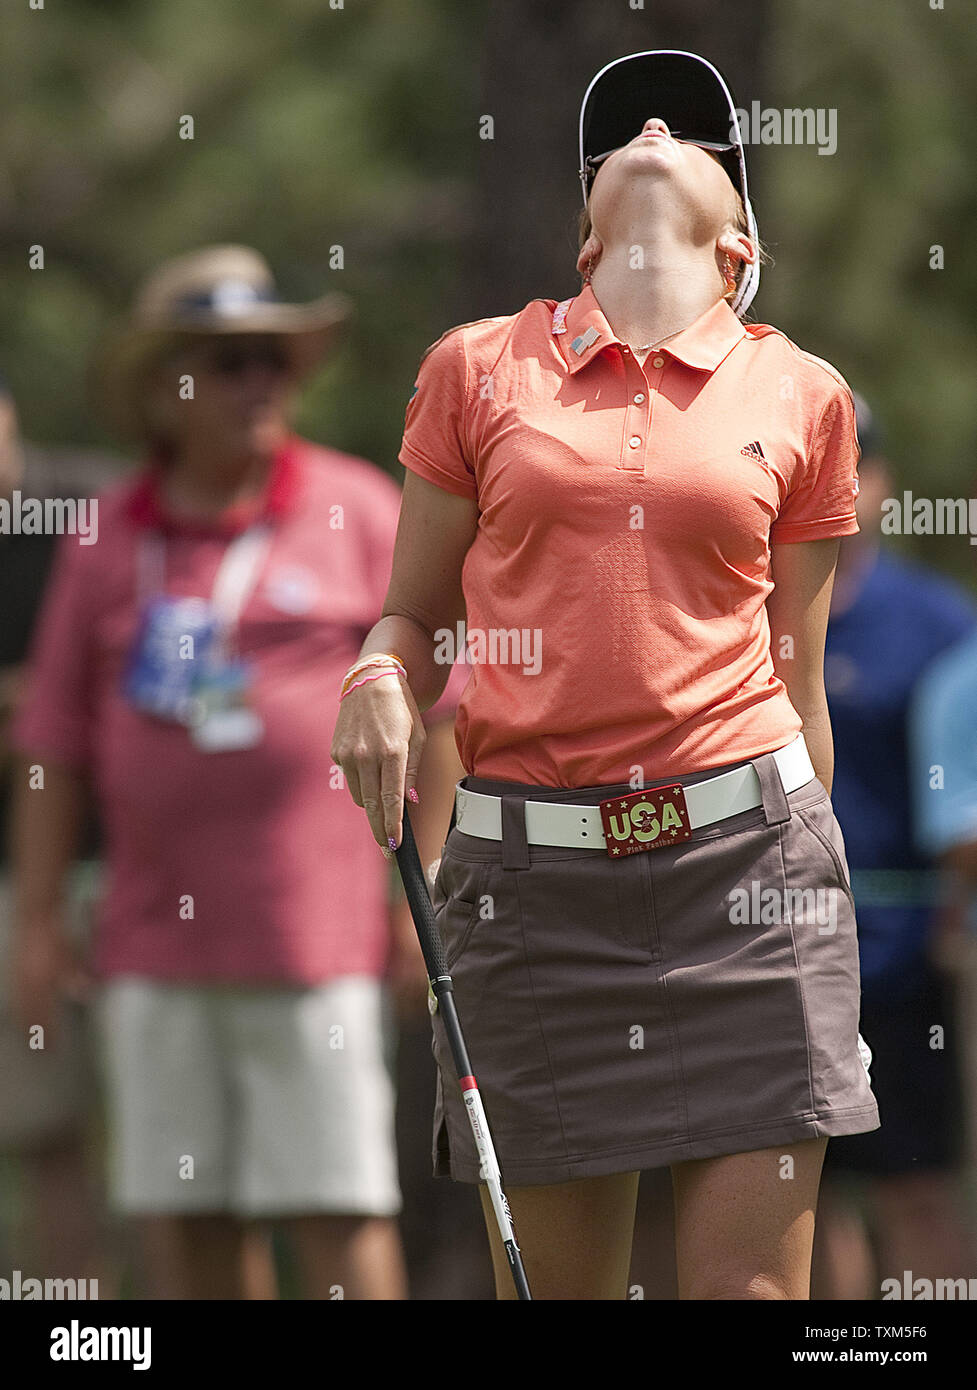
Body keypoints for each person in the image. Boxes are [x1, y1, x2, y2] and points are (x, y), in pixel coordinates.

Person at [331, 50, 879, 1301]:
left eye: (693, 134)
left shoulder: (802, 393)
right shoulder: (474, 368)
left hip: (750, 872)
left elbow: (799, 682)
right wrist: (376, 673)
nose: (648, 127)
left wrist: (819, 883)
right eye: (619, 133)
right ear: (583, 237)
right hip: (531, 886)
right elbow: (408, 617)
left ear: (738, 241)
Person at [7, 244, 455, 1300]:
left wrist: (417, 895)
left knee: (337, 1208)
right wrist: (35, 918)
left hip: (314, 938)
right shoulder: (103, 536)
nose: (260, 384)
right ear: (166, 389)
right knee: (187, 1217)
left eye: (274, 361)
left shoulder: (356, 507)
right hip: (150, 943)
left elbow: (438, 720)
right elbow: (53, 743)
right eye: (229, 361)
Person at [809, 396, 977, 1299]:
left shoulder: (938, 622)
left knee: (913, 1185)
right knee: (809, 1192)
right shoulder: (741, 611)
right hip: (780, 942)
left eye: (856, 466)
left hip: (908, 958)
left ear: (882, 484)